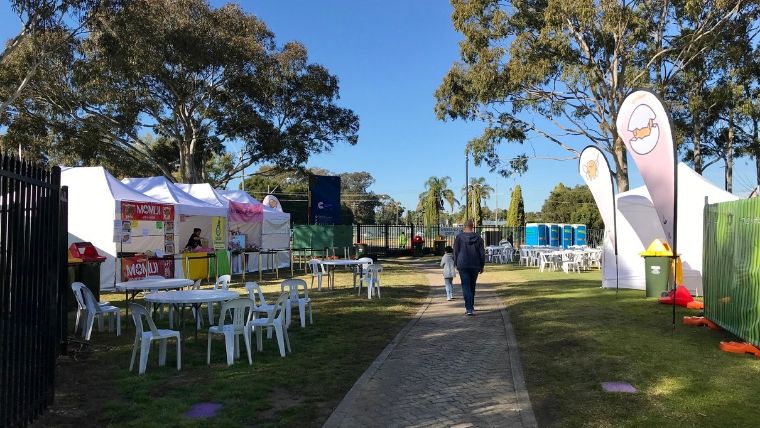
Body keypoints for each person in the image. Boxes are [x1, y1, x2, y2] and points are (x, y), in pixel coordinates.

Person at [453, 220, 485, 316]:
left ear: (464, 226)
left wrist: (455, 263)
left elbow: (455, 251)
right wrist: (482, 265)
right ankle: (471, 306)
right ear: (472, 226)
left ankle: (469, 308)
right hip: (475, 264)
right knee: (472, 286)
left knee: (466, 286)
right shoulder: (479, 238)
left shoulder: (459, 238)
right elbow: (482, 253)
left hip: (463, 264)